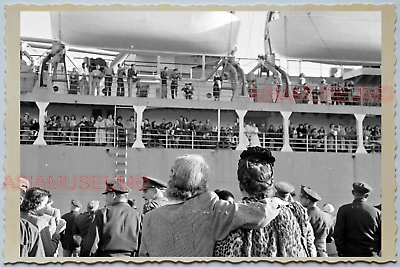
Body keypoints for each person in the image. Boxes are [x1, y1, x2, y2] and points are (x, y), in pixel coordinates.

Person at [139, 153, 284, 257]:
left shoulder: (150, 218)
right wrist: (276, 202)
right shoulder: (209, 207)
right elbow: (259, 215)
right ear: (202, 182)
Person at [214, 148, 315, 257]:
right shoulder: (296, 214)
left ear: (241, 185)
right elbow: (309, 252)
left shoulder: (231, 218)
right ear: (271, 183)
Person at [81, 179, 142, 257]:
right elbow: (142, 244)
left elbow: (91, 243)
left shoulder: (102, 213)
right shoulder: (138, 215)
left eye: (107, 195)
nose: (105, 199)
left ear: (113, 195)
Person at [334, 182, 381, 257]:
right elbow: (381, 235)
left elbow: (338, 234)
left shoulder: (344, 210)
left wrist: (341, 251)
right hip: (371, 254)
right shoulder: (377, 212)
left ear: (353, 193)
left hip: (350, 254)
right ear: (367, 195)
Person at [20, 187, 66, 257]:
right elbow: (49, 252)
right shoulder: (40, 222)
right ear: (36, 204)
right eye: (45, 204)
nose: (46, 208)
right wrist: (57, 232)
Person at [299, 185, 335, 257]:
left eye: (302, 197)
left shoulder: (305, 216)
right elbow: (330, 238)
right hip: (323, 253)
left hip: (307, 253)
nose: (300, 199)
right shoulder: (328, 217)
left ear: (308, 201)